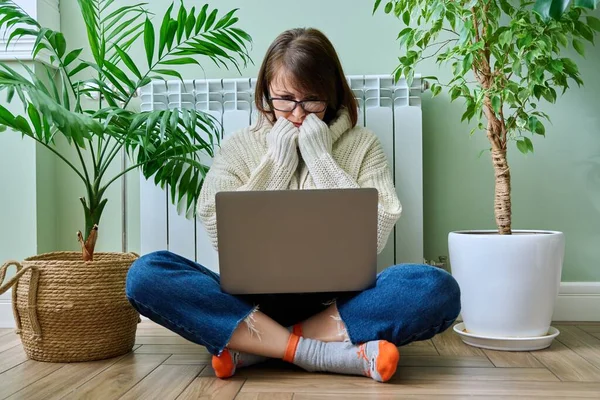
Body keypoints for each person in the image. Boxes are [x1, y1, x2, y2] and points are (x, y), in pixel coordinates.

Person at [125, 28, 461, 383]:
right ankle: (317, 352)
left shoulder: (363, 144)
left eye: (311, 100)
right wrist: (278, 163)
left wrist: (320, 157)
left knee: (436, 288)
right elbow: (218, 227)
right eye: (284, 99)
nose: (298, 114)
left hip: (338, 304)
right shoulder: (239, 146)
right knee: (146, 274)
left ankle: (256, 347)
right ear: (266, 94)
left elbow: (377, 227)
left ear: (331, 95)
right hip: (250, 304)